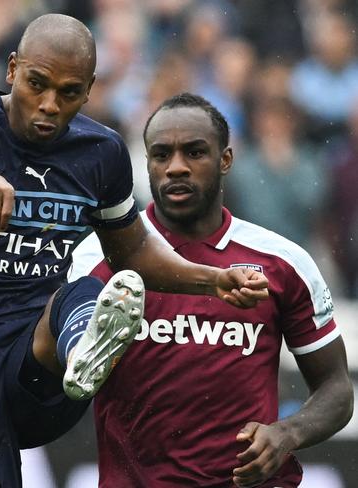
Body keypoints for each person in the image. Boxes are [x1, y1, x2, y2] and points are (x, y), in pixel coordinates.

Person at [0, 14, 269, 488]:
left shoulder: (100, 152)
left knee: (85, 289)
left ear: (89, 90)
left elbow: (134, 251)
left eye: (69, 92)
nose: (49, 105)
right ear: (12, 69)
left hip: (40, 359)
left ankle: (87, 347)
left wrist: (211, 278)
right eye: (37, 84)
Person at [69, 93, 354, 487]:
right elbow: (61, 371)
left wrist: (287, 433)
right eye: (161, 155)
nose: (176, 168)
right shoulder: (96, 259)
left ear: (226, 160)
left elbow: (336, 388)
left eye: (195, 152)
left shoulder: (282, 261)